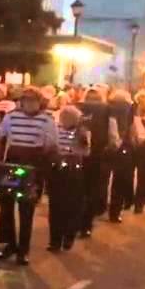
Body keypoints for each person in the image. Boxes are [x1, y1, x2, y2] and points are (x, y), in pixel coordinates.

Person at [0, 88, 57, 265]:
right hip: (12, 163)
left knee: (26, 208)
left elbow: (51, 144)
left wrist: (41, 165)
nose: (28, 103)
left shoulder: (47, 120)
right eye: (25, 100)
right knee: (6, 204)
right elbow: (0, 135)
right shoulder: (11, 116)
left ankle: (23, 249)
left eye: (32, 100)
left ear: (39, 102)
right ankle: (10, 244)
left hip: (33, 165)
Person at [46, 105, 90, 253]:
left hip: (73, 171)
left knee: (72, 205)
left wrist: (74, 150)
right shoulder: (56, 129)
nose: (66, 120)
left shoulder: (81, 132)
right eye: (64, 117)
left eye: (69, 117)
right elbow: (51, 146)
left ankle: (69, 235)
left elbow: (86, 151)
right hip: (57, 170)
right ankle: (55, 240)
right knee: (55, 206)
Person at [78, 89, 118, 237]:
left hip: (77, 155)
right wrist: (113, 146)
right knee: (92, 190)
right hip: (97, 154)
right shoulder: (108, 111)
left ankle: (76, 220)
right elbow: (113, 134)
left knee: (78, 189)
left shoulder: (79, 108)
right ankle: (86, 225)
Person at [107, 89, 137, 222]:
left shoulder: (107, 107)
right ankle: (115, 211)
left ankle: (99, 206)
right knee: (119, 181)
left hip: (106, 147)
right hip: (122, 146)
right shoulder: (128, 109)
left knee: (102, 179)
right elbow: (131, 127)